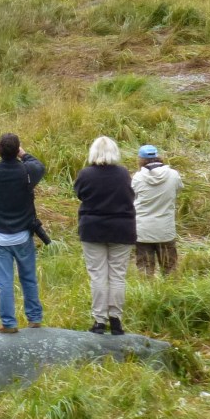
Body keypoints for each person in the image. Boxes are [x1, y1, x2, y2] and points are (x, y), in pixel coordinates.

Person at [0, 133, 45, 334]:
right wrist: (23, 154)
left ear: (0, 151)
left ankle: (9, 323)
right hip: (23, 235)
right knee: (28, 277)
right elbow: (39, 166)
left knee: (4, 282)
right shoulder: (27, 171)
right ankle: (35, 318)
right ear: (17, 150)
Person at [74, 137, 136, 335]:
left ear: (93, 152)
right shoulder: (123, 173)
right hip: (122, 229)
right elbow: (131, 195)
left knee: (98, 275)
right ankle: (116, 320)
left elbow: (79, 194)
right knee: (117, 276)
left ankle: (99, 321)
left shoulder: (85, 174)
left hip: (93, 229)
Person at [132, 145, 184, 276]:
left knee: (145, 271)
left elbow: (131, 197)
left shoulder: (137, 178)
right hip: (165, 230)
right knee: (170, 269)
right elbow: (178, 189)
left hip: (143, 230)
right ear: (158, 157)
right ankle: (170, 289)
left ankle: (147, 290)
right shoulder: (173, 175)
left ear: (140, 159)